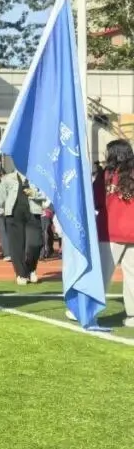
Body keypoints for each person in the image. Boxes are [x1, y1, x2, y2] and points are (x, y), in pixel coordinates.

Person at [94, 139, 134, 328]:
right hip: (132, 232)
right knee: (133, 276)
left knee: (102, 274)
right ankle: (133, 316)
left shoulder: (106, 175)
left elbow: (96, 200)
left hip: (110, 231)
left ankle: (90, 310)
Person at [0, 169, 49, 285]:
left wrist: (34, 194)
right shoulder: (8, 178)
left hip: (33, 214)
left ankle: (31, 269)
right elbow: (0, 196)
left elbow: (47, 195)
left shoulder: (38, 177)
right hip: (13, 215)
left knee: (35, 243)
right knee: (16, 246)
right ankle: (21, 274)